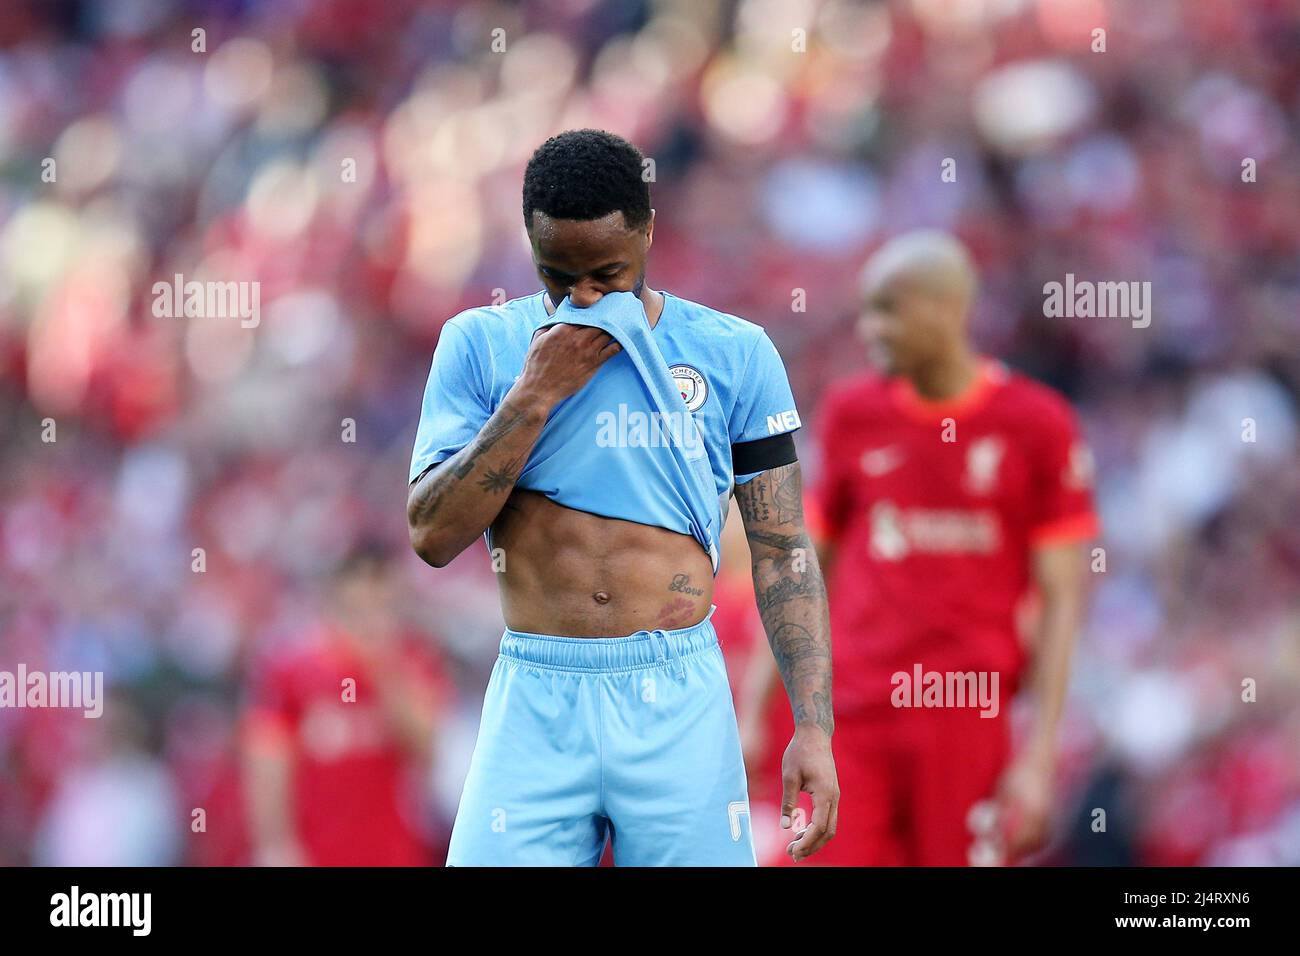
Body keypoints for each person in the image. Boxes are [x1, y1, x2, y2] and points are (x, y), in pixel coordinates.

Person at [406, 129, 837, 866]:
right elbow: (432, 536)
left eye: (607, 273)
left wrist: (814, 727)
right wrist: (535, 393)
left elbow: (783, 551)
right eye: (556, 275)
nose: (582, 297)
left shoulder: (734, 352)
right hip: (537, 694)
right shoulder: (479, 344)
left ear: (647, 231)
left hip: (678, 697)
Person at [743, 230, 1098, 866]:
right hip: (856, 709)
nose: (870, 330)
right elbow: (803, 566)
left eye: (887, 310)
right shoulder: (854, 413)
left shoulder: (1039, 425)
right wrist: (755, 704)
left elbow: (1063, 600)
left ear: (946, 311)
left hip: (966, 715)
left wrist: (1040, 756)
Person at [242, 548, 444, 866]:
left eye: (382, 606)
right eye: (359, 607)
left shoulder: (413, 661)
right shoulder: (293, 668)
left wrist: (386, 670)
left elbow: (426, 749)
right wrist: (276, 846)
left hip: (394, 852)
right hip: (317, 852)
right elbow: (268, 759)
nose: (371, 620)